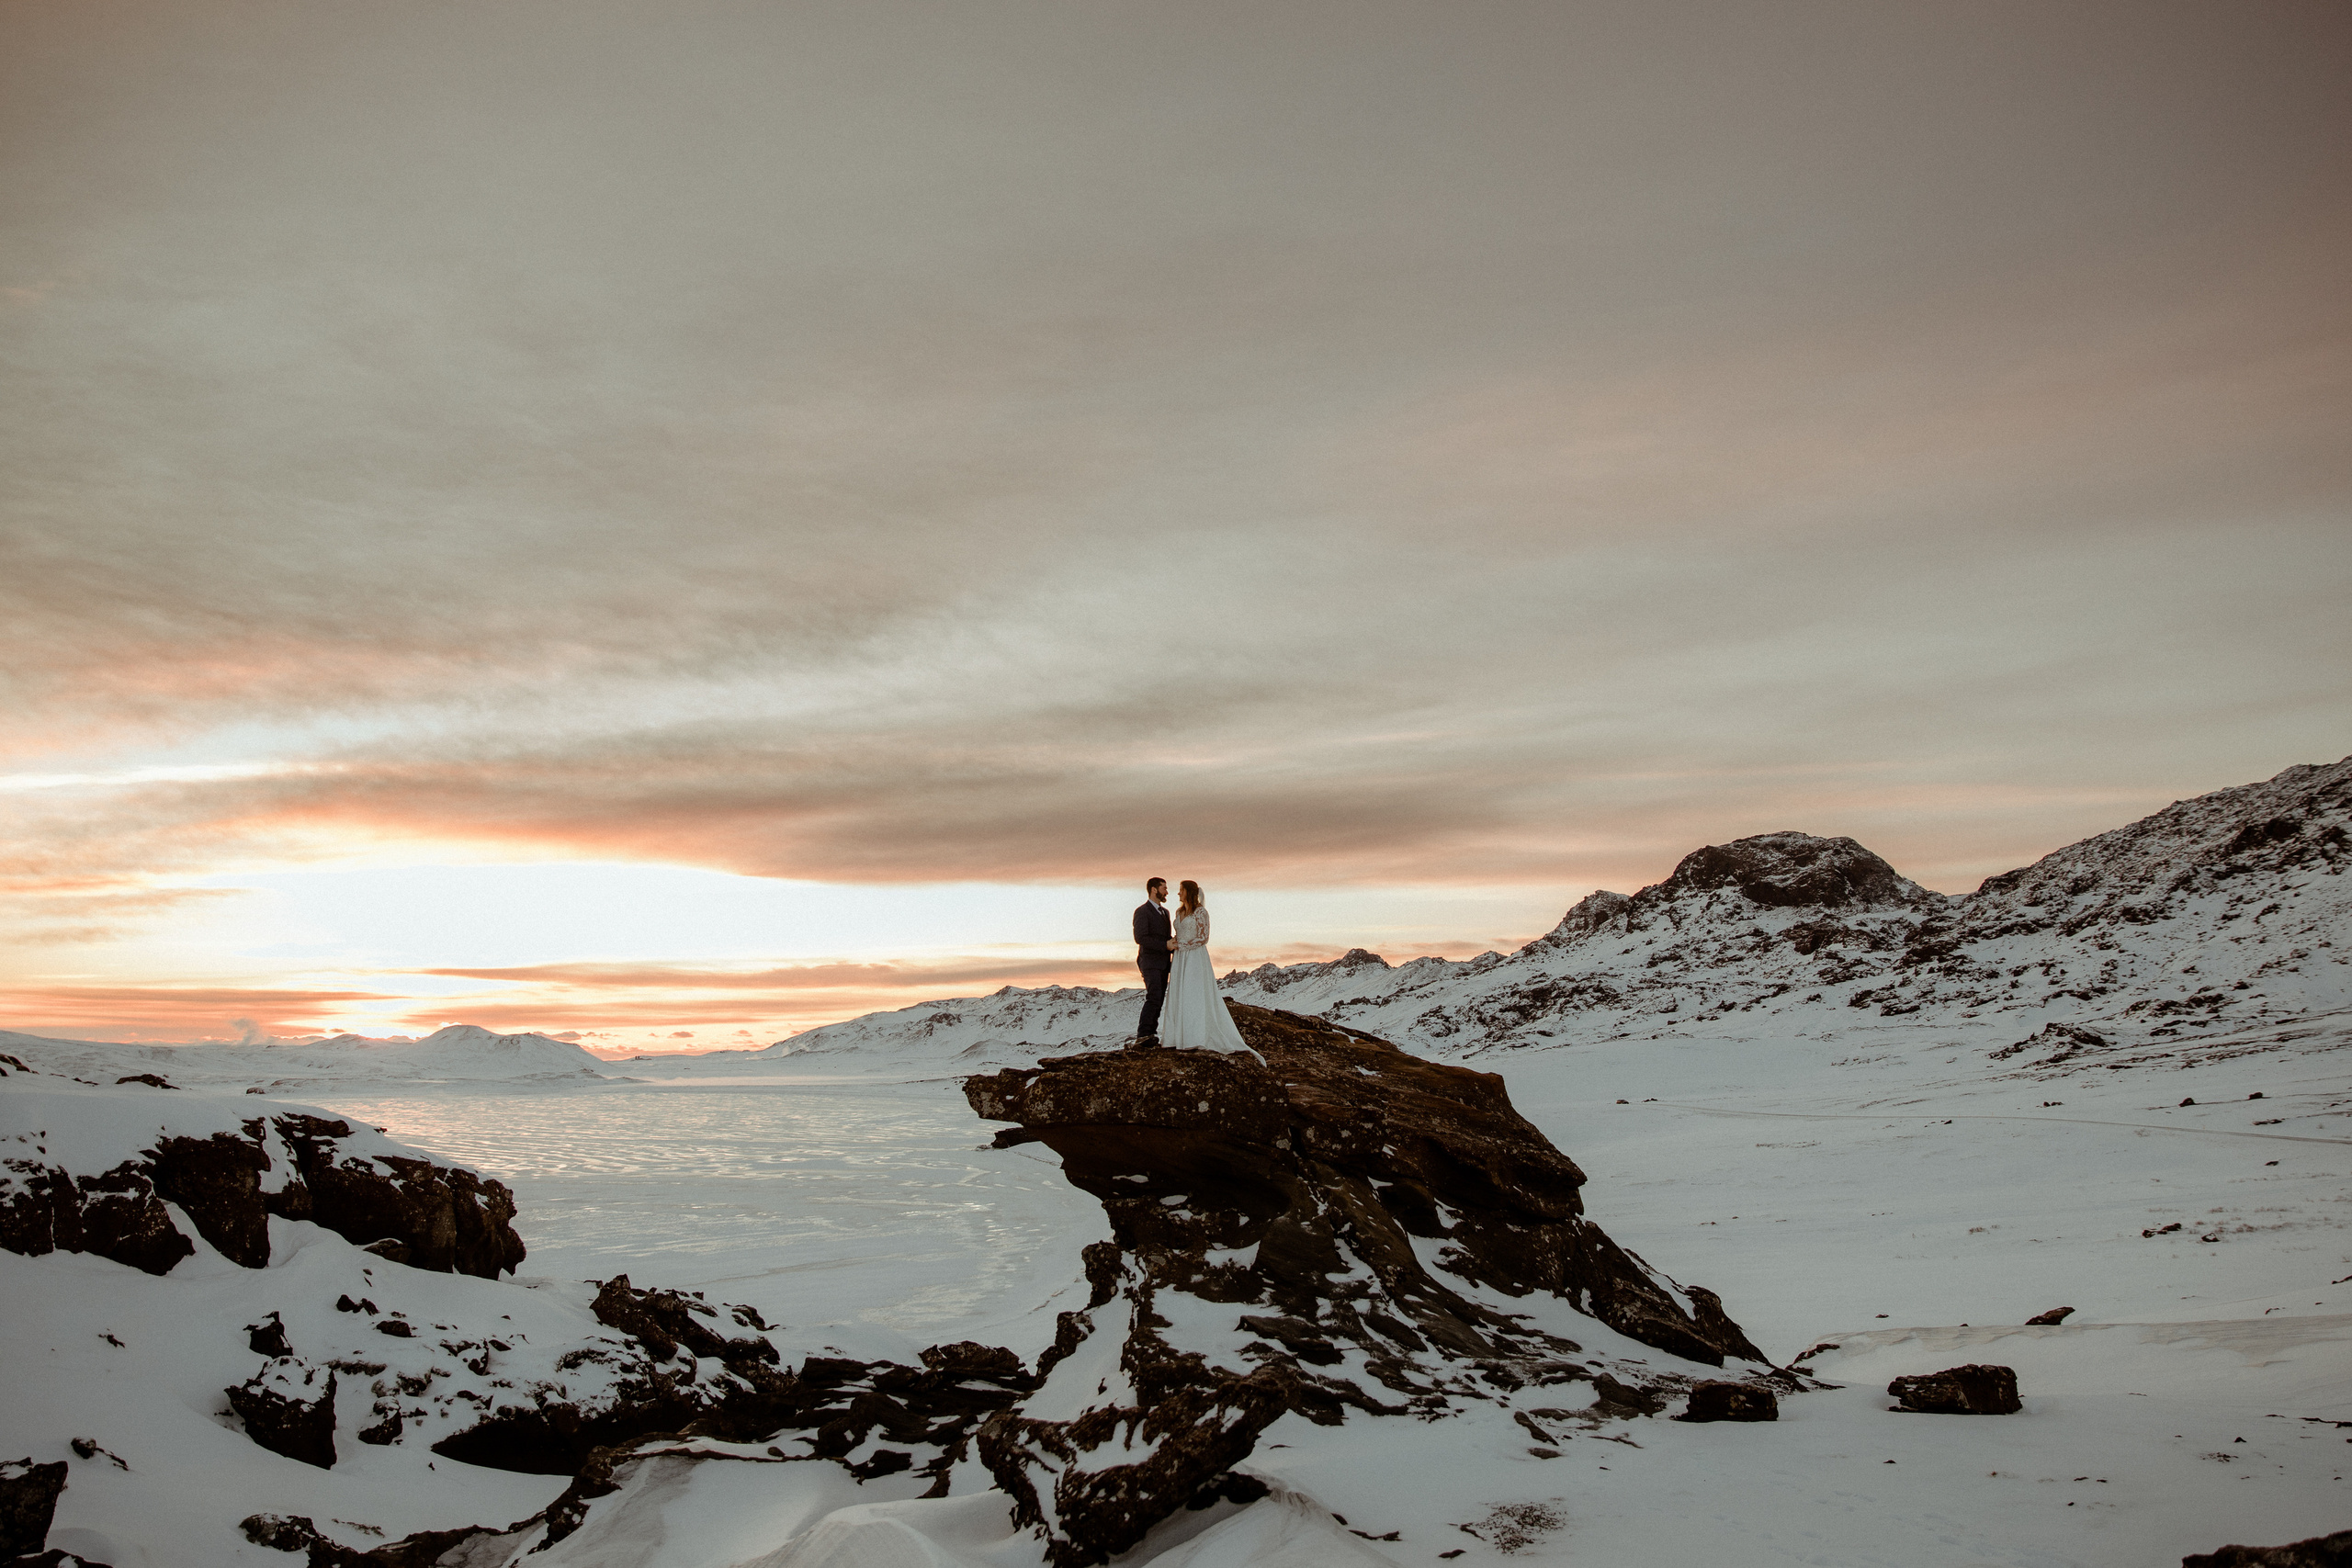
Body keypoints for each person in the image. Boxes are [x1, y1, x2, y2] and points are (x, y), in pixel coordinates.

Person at [1156, 880, 1261, 1059]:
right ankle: (1178, 1037)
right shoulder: (1179, 912)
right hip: (1180, 958)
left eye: (1180, 890)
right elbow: (1179, 932)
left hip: (1195, 957)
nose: (1178, 894)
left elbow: (1203, 938)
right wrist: (1175, 942)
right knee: (1179, 993)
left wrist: (1182, 944)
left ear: (1188, 892)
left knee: (1193, 993)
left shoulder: (1201, 912)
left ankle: (1196, 1037)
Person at [1132, 877, 1172, 1044]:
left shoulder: (1165, 913)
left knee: (1159, 997)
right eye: (1164, 888)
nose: (1167, 892)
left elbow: (1166, 937)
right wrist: (1165, 945)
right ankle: (1143, 1034)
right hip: (1149, 962)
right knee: (1154, 996)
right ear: (1154, 890)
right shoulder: (1142, 911)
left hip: (1163, 963)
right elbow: (1140, 938)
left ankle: (1151, 1034)